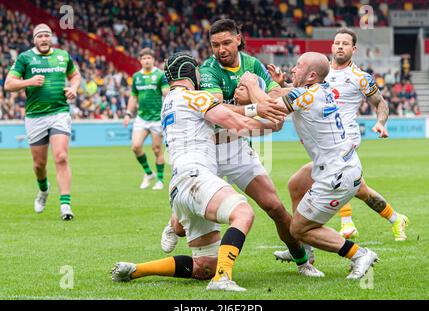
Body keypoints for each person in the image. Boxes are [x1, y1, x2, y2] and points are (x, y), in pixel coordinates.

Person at [160, 19, 320, 275]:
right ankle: (174, 223)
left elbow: (276, 97)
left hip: (235, 147)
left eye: (225, 43)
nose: (220, 49)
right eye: (215, 45)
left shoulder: (253, 64)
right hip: (209, 151)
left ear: (238, 39)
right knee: (182, 228)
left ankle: (302, 260)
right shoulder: (209, 70)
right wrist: (254, 104)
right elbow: (219, 109)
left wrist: (262, 95)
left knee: (275, 207)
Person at [112, 52, 283, 291]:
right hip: (196, 178)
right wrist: (268, 115)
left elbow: (228, 114)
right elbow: (237, 123)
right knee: (243, 213)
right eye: (198, 72)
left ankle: (135, 269)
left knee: (204, 266)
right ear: (190, 72)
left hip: (179, 186)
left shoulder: (169, 101)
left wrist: (258, 111)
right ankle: (222, 278)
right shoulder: (194, 96)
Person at [241, 52, 379, 279]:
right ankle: (306, 249)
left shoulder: (307, 95)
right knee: (297, 184)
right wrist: (278, 84)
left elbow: (268, 106)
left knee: (298, 229)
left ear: (312, 75)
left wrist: (251, 84)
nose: (293, 69)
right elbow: (287, 93)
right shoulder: (318, 89)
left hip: (336, 174)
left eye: (298, 66)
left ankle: (359, 254)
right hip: (340, 163)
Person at [269, 28, 409, 246]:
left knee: (337, 179)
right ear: (332, 47)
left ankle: (343, 225)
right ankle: (395, 218)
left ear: (354, 49)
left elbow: (380, 103)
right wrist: (282, 84)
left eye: (345, 43)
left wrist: (381, 123)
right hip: (323, 135)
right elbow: (300, 95)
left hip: (345, 137)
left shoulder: (361, 78)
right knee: (356, 188)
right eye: (337, 43)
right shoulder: (322, 71)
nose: (340, 47)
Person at [4, 24, 81, 220]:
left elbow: (75, 75)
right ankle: (44, 190)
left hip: (59, 112)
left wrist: (73, 88)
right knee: (39, 165)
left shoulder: (63, 56)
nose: (44, 39)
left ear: (52, 38)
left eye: (47, 35)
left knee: (61, 156)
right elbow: (9, 84)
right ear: (34, 40)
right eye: (40, 36)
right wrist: (28, 82)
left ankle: (65, 205)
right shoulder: (25, 58)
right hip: (35, 116)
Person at [123, 48, 170, 190]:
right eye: (144, 58)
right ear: (140, 60)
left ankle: (160, 180)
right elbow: (133, 96)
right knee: (136, 146)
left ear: (153, 60)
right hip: (142, 118)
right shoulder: (136, 76)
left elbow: (166, 93)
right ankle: (149, 173)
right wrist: (127, 113)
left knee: (156, 149)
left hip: (156, 118)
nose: (146, 60)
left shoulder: (160, 75)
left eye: (149, 58)